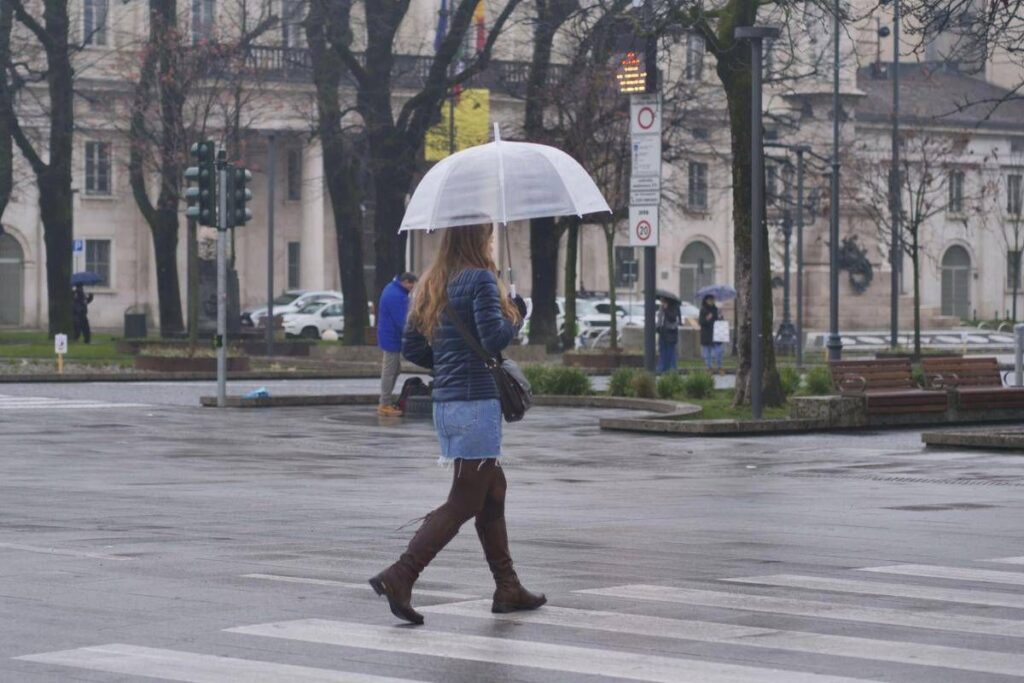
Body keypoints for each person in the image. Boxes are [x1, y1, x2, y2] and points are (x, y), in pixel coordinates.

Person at [369, 224, 544, 626]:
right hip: (476, 404)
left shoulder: (430, 281)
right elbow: (494, 335)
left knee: (493, 489)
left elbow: (411, 346)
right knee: (465, 500)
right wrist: (517, 310)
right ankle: (402, 574)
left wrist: (446, 365)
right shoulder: (481, 279)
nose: (491, 241)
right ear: (477, 239)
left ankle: (508, 587)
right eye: (488, 235)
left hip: (446, 403)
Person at [377, 272, 418, 417]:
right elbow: (402, 321)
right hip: (391, 338)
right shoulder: (397, 296)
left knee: (395, 370)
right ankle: (384, 404)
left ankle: (385, 402)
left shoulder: (392, 288)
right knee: (389, 371)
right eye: (412, 285)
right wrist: (414, 333)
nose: (412, 288)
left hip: (388, 335)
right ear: (406, 282)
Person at [699, 294, 724, 373]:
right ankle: (709, 368)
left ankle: (719, 367)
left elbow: (720, 321)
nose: (712, 301)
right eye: (710, 300)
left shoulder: (716, 309)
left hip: (716, 334)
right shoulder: (703, 310)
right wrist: (707, 319)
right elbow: (701, 322)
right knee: (707, 353)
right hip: (706, 334)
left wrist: (720, 317)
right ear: (706, 301)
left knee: (718, 351)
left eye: (713, 299)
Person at [655, 299, 680, 373]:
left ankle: (672, 369)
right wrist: (658, 328)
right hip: (663, 332)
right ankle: (662, 368)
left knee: (671, 351)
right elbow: (660, 318)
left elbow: (673, 318)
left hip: (671, 332)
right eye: (662, 301)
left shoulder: (674, 307)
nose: (662, 302)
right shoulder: (661, 307)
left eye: (664, 301)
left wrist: (666, 309)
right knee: (662, 351)